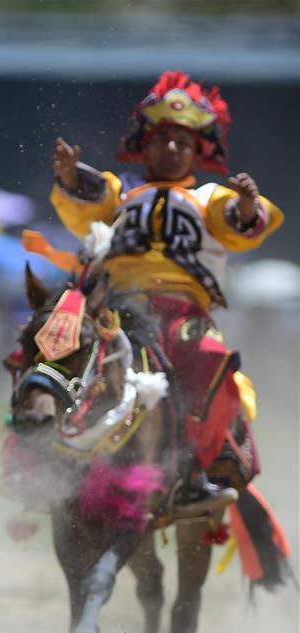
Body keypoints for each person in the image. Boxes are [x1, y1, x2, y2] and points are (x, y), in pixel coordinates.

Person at [48, 70, 283, 506]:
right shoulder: (121, 192)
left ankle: (197, 469)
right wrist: (69, 176)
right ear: (145, 146)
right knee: (50, 343)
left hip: (182, 314)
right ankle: (42, 451)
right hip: (115, 309)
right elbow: (88, 201)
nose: (172, 149)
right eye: (163, 140)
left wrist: (248, 205)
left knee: (209, 357)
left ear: (198, 153)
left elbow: (242, 226)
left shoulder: (210, 199)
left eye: (183, 142)